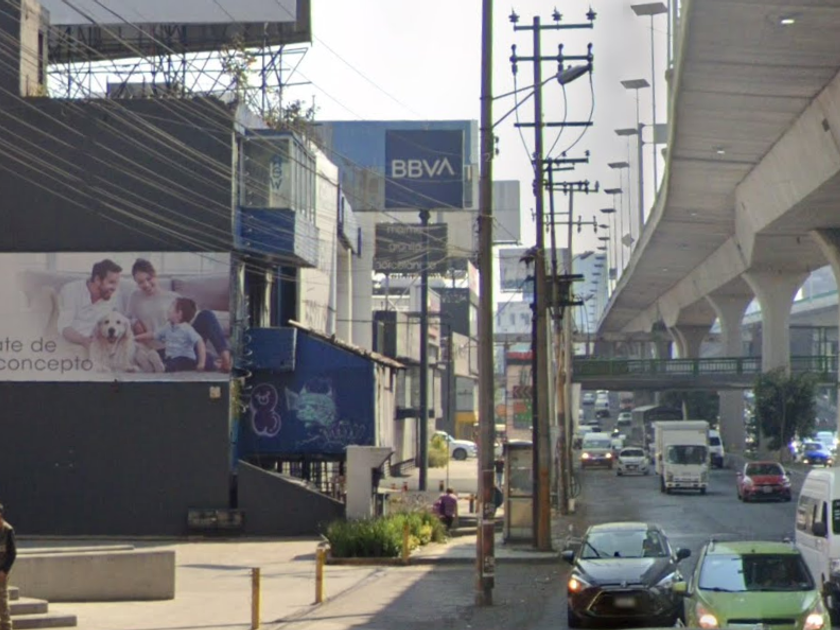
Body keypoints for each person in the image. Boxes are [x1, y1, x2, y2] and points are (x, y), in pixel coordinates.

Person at [128, 259, 231, 372]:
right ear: (136, 283)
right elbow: (126, 319)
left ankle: (225, 359)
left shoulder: (173, 297)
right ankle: (206, 360)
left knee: (207, 315)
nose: (146, 285)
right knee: (204, 359)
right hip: (160, 350)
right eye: (141, 282)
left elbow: (191, 322)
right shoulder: (135, 297)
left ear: (155, 275)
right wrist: (134, 322)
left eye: (148, 279)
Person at [58, 259, 125, 348]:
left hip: (100, 345)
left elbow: (121, 322)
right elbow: (64, 327)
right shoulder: (71, 290)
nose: (115, 288)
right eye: (111, 282)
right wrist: (83, 340)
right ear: (97, 280)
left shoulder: (114, 294)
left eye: (116, 283)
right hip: (73, 342)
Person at [137, 298, 207, 373]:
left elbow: (200, 342)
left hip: (185, 359)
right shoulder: (168, 326)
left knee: (177, 361)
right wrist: (135, 337)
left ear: (179, 313)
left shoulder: (187, 329)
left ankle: (163, 367)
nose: (168, 310)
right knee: (157, 353)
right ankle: (149, 365)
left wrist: (201, 363)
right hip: (170, 356)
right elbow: (154, 334)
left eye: (171, 307)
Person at [0, 503, 16, 630]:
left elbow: (12, 553)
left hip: (2, 571)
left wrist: (4, 571)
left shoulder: (8, 530)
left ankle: (6, 626)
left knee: (2, 599)